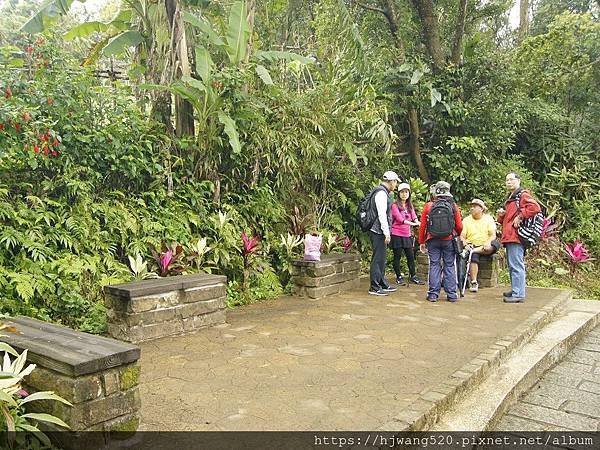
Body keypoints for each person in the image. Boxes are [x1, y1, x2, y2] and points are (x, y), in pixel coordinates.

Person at [497, 172, 541, 303]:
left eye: (511, 179)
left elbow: (535, 207)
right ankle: (516, 289)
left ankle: (519, 294)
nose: (509, 182)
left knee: (516, 265)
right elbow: (507, 219)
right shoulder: (511, 198)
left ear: (518, 180)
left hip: (516, 235)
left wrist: (520, 216)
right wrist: (502, 215)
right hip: (509, 235)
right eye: (507, 180)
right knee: (512, 265)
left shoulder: (522, 195)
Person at [418, 181, 463, 302]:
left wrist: (421, 242)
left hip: (432, 239)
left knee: (434, 264)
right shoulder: (453, 206)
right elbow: (459, 226)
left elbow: (422, 226)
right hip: (448, 240)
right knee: (449, 265)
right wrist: (456, 234)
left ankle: (433, 294)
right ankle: (452, 294)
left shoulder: (428, 206)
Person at [368, 171, 400, 296]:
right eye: (395, 182)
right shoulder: (381, 193)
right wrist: (386, 232)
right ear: (391, 181)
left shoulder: (383, 192)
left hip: (380, 230)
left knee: (382, 258)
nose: (396, 185)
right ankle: (374, 287)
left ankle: (381, 283)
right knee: (378, 258)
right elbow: (382, 214)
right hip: (378, 231)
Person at [460, 199, 501, 293]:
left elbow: (493, 235)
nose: (472, 208)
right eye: (471, 206)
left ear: (481, 209)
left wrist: (488, 241)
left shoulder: (488, 219)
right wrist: (465, 244)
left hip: (485, 245)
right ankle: (474, 281)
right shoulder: (466, 220)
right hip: (472, 245)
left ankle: (474, 251)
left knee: (494, 245)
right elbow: (462, 236)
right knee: (473, 257)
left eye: (475, 206)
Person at [390, 183, 424, 285]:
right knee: (397, 256)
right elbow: (400, 219)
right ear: (398, 193)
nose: (404, 194)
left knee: (410, 256)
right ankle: (399, 276)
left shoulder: (410, 205)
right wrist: (413, 224)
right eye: (402, 192)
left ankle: (413, 276)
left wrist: (418, 222)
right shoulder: (394, 205)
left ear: (409, 193)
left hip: (407, 234)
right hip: (396, 234)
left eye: (406, 192)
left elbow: (414, 216)